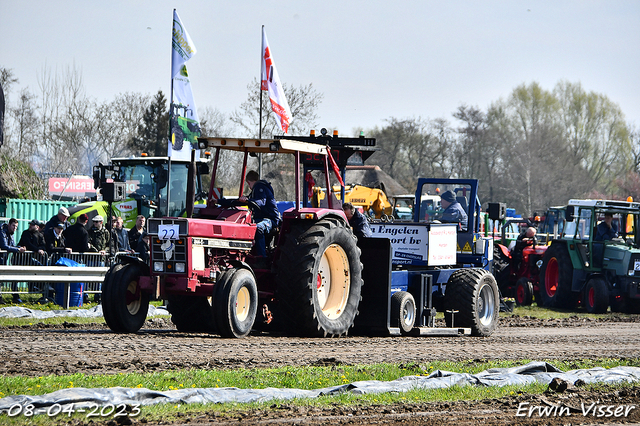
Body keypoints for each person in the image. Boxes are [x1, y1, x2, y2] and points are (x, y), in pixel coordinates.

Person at [238, 170, 281, 257]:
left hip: (270, 220)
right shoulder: (254, 192)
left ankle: (261, 257)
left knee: (258, 228)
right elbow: (244, 201)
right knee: (246, 225)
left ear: (248, 182)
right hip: (260, 218)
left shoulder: (260, 187)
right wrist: (219, 201)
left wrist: (248, 200)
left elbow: (261, 202)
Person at [0, 218, 27, 303]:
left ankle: (14, 296)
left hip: (4, 258)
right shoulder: (2, 232)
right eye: (13, 226)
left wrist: (19, 248)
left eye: (16, 226)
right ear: (9, 225)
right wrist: (18, 250)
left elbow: (12, 245)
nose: (14, 228)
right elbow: (4, 246)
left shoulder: (11, 234)